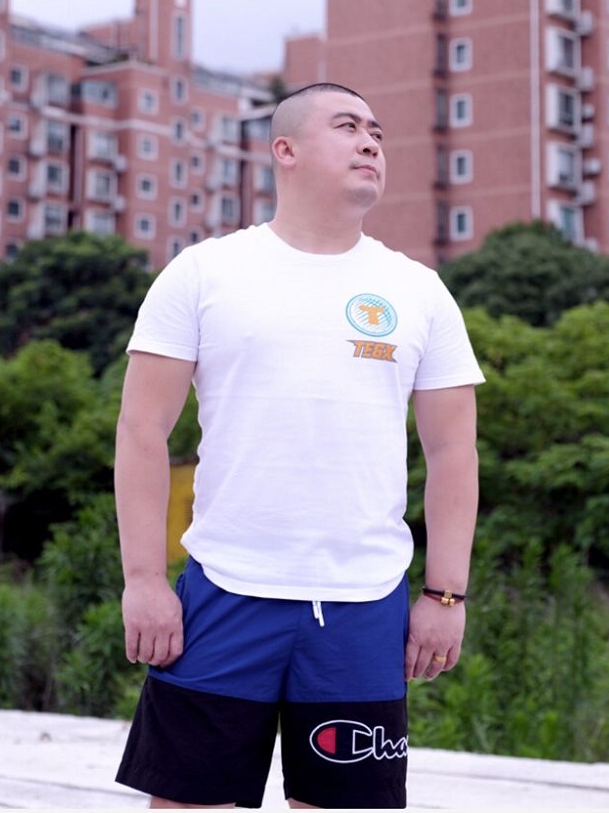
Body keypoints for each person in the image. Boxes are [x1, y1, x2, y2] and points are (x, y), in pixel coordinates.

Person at [114, 82, 484, 810]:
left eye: (376, 132)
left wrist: (446, 593)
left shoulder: (418, 290)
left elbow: (453, 451)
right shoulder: (203, 273)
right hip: (224, 591)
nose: (370, 142)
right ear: (284, 149)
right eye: (347, 126)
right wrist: (144, 580)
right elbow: (141, 431)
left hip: (363, 604)